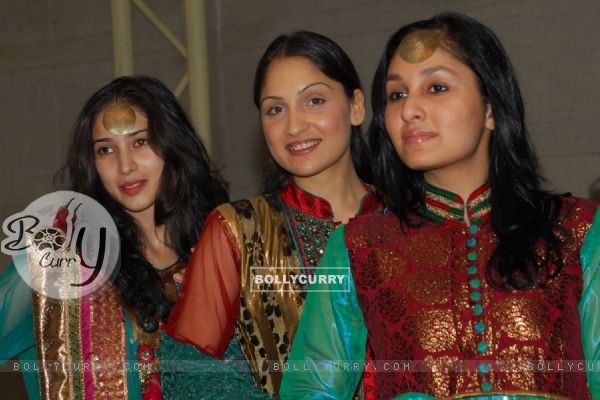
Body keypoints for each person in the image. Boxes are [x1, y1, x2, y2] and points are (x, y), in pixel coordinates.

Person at [281, 13, 600, 399]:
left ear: (491, 108)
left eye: (436, 88)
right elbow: (311, 390)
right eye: (397, 95)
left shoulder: (577, 229)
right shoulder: (360, 248)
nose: (410, 110)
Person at [0, 76, 265, 399]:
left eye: (140, 142)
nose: (125, 166)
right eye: (106, 149)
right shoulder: (62, 260)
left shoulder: (226, 244)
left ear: (173, 146)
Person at [166, 31, 383, 397]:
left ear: (356, 106)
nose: (294, 126)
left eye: (314, 100)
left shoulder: (410, 222)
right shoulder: (236, 230)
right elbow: (189, 376)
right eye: (275, 109)